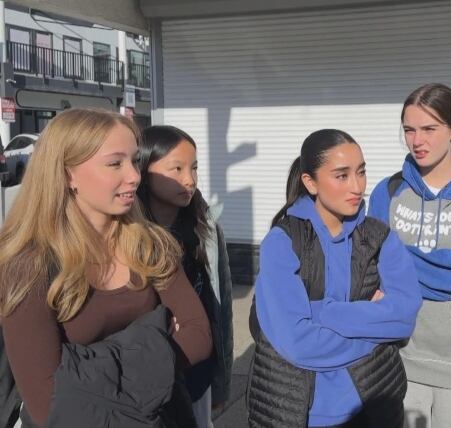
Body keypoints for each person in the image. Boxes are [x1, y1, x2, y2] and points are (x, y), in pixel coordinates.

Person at [0, 108, 212, 427]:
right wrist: (158, 338)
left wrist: (81, 368)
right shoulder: (26, 266)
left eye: (135, 161)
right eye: (115, 163)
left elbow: (199, 336)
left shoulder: (152, 244)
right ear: (67, 173)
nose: (134, 176)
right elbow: (47, 402)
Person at [247, 129, 422, 428]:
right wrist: (377, 330)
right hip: (295, 410)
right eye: (341, 175)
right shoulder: (282, 241)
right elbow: (297, 342)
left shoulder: (380, 238)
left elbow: (404, 319)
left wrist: (323, 312)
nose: (357, 186)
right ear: (310, 182)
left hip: (373, 404)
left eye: (361, 172)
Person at [368, 83, 451, 428]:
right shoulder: (387, 191)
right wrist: (440, 269)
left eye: (429, 129)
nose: (417, 141)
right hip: (398, 358)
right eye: (409, 130)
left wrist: (401, 263)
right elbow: (376, 266)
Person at [138, 125, 234, 428]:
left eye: (193, 168)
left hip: (198, 377)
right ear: (143, 169)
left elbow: (221, 310)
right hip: (149, 386)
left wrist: (220, 383)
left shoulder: (204, 229)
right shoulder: (128, 237)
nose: (189, 180)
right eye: (175, 169)